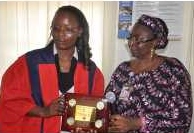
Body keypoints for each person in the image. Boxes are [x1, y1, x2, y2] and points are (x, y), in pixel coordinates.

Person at [0, 5, 104, 133]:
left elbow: (95, 112)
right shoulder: (29, 63)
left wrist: (90, 126)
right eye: (56, 28)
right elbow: (10, 100)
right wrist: (43, 111)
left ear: (80, 31)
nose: (61, 34)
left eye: (69, 29)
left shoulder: (91, 72)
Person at [105, 14, 192, 133]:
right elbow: (108, 103)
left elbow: (182, 118)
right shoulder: (123, 69)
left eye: (139, 39)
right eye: (131, 37)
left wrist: (137, 123)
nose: (131, 43)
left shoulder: (174, 70)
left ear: (155, 42)